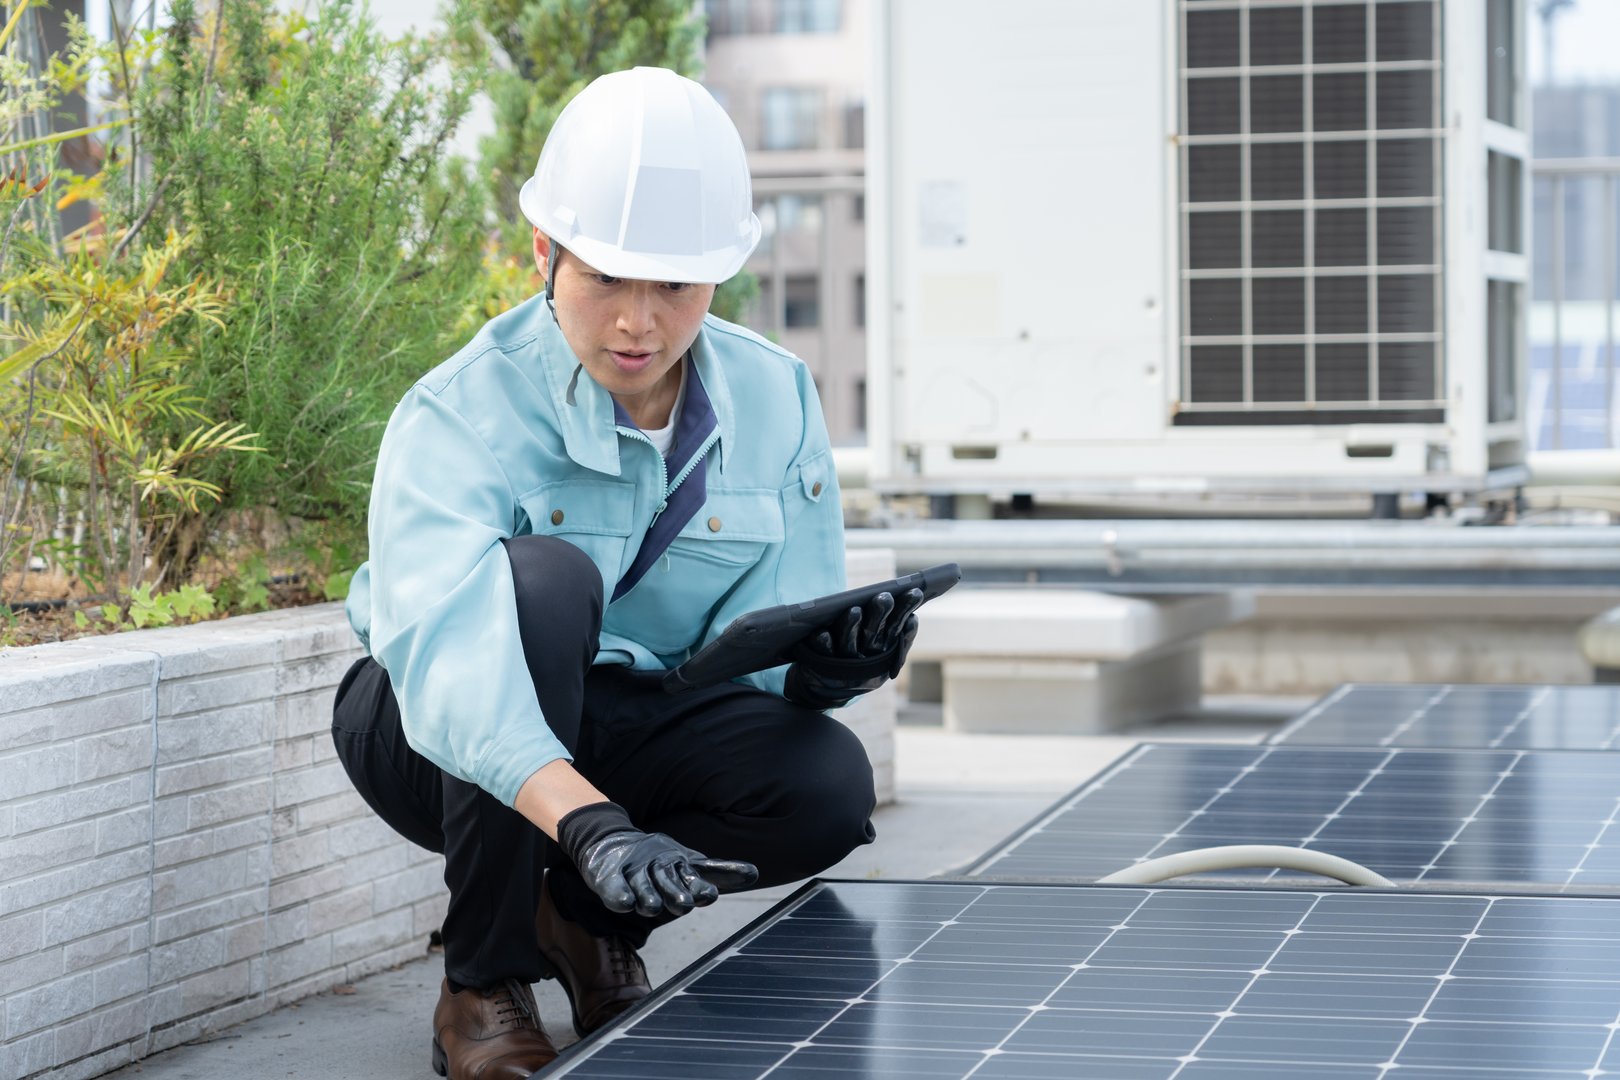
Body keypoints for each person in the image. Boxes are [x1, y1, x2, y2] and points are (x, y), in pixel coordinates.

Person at [330, 66, 921, 1079]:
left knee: (826, 784)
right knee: (544, 586)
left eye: (675, 288)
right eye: (605, 278)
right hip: (428, 723)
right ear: (543, 256)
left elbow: (766, 643)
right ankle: (480, 984)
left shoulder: (775, 397)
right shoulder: (458, 412)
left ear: (717, 280)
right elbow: (450, 666)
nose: (638, 323)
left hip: (635, 715)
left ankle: (584, 921)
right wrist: (590, 820)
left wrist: (829, 670)